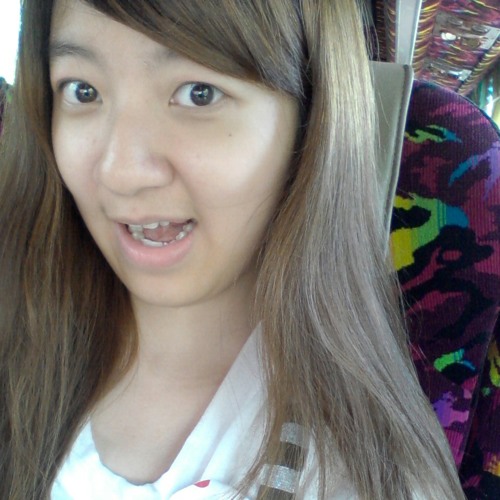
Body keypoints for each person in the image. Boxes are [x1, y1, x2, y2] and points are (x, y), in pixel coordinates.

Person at [0, 0, 465, 498]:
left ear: (311, 124)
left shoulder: (370, 475)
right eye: (83, 90)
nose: (121, 172)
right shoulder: (18, 348)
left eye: (199, 94)